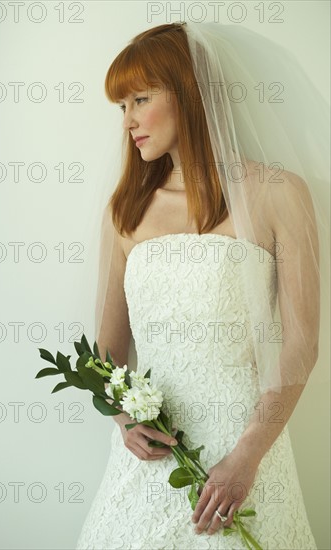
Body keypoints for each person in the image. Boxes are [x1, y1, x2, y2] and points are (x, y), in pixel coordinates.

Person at [75, 21, 329, 549]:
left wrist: (247, 457)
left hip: (245, 448)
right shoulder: (125, 215)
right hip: (153, 458)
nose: (128, 121)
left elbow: (301, 345)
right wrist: (124, 420)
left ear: (188, 93)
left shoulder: (278, 193)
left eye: (140, 99)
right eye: (121, 107)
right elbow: (108, 351)